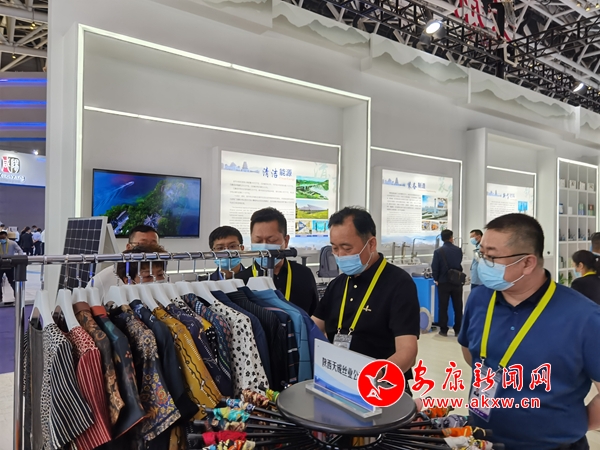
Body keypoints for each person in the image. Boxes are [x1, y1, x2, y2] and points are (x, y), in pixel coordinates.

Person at [459, 213, 600, 450]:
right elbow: (471, 353)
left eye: (491, 257)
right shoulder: (479, 299)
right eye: (481, 254)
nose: (483, 263)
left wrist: (571, 426)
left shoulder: (584, 316)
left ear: (527, 263)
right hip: (481, 440)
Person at [311, 207, 420, 392]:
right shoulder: (337, 284)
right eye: (334, 248)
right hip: (337, 380)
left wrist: (374, 379)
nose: (340, 255)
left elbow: (408, 351)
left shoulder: (399, 284)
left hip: (381, 388)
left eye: (347, 248)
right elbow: (313, 327)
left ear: (371, 244)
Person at [236, 207, 319, 315]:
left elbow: (315, 317)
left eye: (272, 240)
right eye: (258, 241)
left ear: (286, 240)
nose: (264, 246)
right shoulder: (240, 281)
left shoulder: (304, 275)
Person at [88, 225, 160, 302]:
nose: (149, 251)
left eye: (153, 246)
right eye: (142, 245)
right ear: (128, 247)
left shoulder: (161, 276)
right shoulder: (102, 280)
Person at [431, 229, 464, 337]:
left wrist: (436, 278)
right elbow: (458, 263)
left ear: (442, 238)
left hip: (443, 282)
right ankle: (458, 329)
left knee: (443, 306)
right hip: (456, 281)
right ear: (451, 238)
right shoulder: (458, 250)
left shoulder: (438, 252)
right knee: (458, 306)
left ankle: (443, 330)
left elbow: (435, 267)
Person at [0, 230, 24, 305]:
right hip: (0, 264)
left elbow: (20, 251)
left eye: (3, 238)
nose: (2, 239)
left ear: (6, 237)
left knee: (13, 281)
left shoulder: (12, 243)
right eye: (1, 238)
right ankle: (0, 298)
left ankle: (17, 296)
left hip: (10, 264)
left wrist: (19, 259)